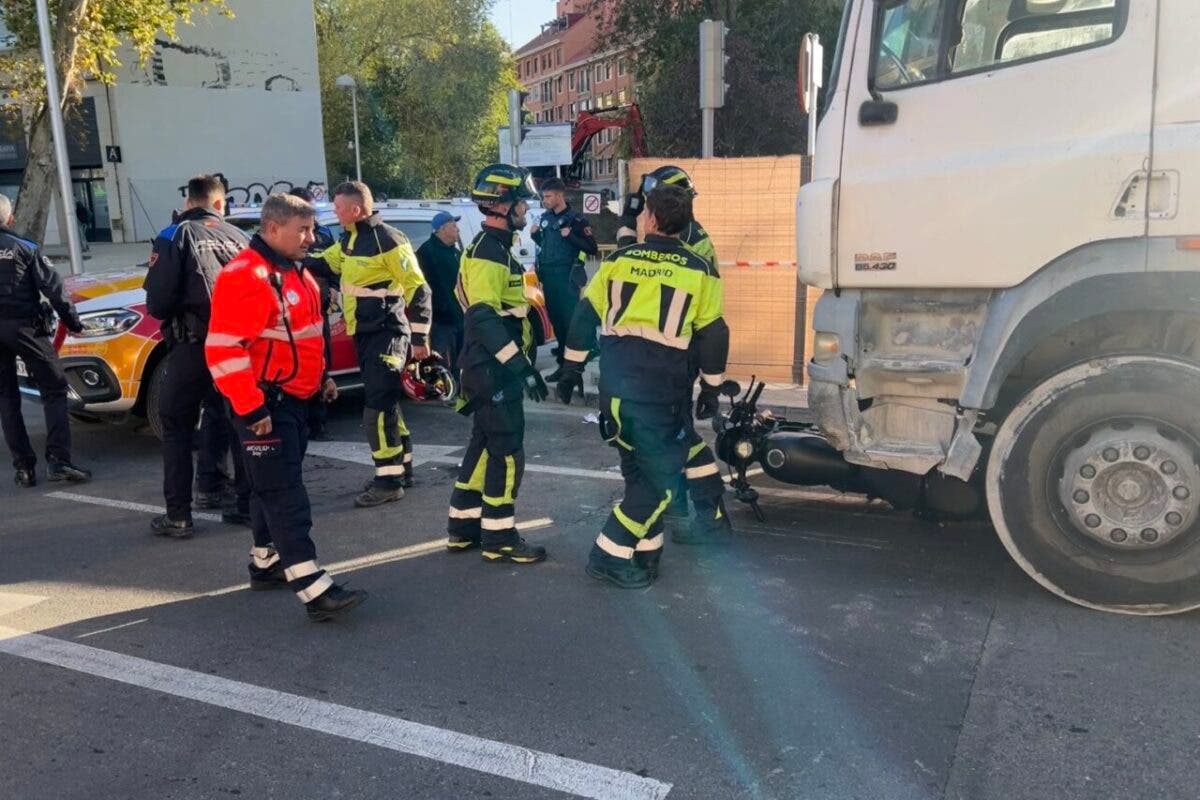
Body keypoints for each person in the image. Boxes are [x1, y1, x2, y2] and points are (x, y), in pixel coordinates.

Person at [558, 184, 731, 588]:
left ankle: (644, 554)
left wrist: (571, 369)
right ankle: (608, 554)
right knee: (661, 484)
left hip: (616, 393)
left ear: (650, 218)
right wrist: (711, 388)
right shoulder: (700, 270)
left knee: (639, 475)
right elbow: (713, 334)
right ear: (686, 223)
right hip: (660, 396)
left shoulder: (618, 260)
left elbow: (585, 316)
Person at [205, 193, 366, 621]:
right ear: (273, 229)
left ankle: (265, 561)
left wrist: (323, 378)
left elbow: (308, 337)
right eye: (304, 230)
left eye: (312, 229)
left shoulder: (296, 274)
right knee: (284, 494)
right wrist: (252, 409)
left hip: (293, 399)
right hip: (264, 405)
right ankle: (313, 587)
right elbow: (223, 349)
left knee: (269, 486)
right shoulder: (247, 276)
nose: (311, 239)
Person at [445, 164, 549, 564]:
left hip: (486, 368)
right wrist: (522, 367)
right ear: (503, 204)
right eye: (522, 202)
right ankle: (500, 537)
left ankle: (464, 528)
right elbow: (484, 318)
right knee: (506, 452)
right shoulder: (489, 251)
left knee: (483, 446)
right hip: (493, 370)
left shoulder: (497, 246)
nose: (526, 209)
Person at [306, 181, 432, 507]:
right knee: (386, 401)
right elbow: (324, 262)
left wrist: (420, 340)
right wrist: (291, 252)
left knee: (375, 408)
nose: (334, 212)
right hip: (364, 333)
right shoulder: (349, 239)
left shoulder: (388, 239)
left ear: (356, 209)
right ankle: (400, 470)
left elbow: (418, 290)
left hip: (388, 333)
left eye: (338, 207)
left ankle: (388, 482)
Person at [616, 165, 721, 541]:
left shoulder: (685, 239)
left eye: (651, 200)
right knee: (677, 434)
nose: (647, 206)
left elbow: (632, 263)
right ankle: (683, 508)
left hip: (678, 350)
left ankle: (708, 515)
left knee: (679, 437)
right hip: (672, 349)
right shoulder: (687, 230)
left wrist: (628, 223)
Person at [143, 174, 250, 538]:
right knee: (238, 420)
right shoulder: (241, 238)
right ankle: (245, 503)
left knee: (175, 425)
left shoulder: (175, 235)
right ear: (220, 205)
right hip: (237, 348)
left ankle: (178, 515)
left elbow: (157, 302)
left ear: (190, 202)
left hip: (193, 347)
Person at [0, 193, 90, 487]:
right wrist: (73, 323)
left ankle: (24, 468)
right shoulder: (25, 247)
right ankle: (59, 461)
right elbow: (54, 289)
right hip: (26, 329)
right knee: (54, 388)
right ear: (10, 218)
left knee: (7, 399)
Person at [530, 178, 597, 381]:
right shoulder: (545, 218)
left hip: (566, 277)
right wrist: (535, 237)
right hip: (548, 277)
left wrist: (570, 237)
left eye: (548, 196)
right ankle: (563, 363)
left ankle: (572, 367)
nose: (545, 201)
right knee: (557, 323)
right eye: (544, 197)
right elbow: (547, 245)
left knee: (569, 324)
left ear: (560, 195)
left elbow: (591, 248)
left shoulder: (576, 220)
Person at [415, 210, 464, 373]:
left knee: (462, 364)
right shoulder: (425, 253)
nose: (458, 229)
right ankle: (447, 396)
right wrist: (440, 307)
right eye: (454, 225)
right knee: (445, 366)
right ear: (441, 229)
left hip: (460, 317)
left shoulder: (456, 252)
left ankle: (461, 395)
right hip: (441, 322)